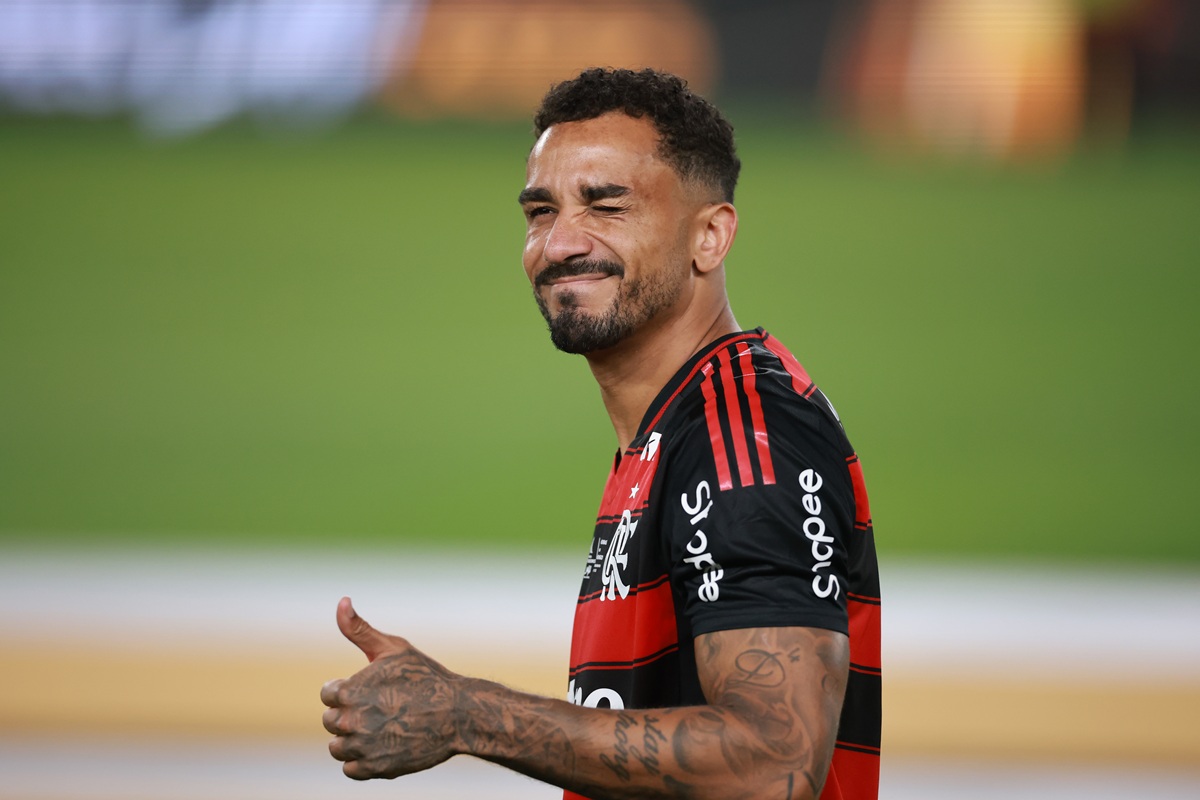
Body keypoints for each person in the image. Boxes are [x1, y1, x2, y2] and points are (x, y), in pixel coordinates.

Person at [321, 67, 881, 800]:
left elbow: (774, 764)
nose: (559, 244)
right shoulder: (674, 429)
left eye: (606, 206)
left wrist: (468, 715)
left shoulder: (740, 438)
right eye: (539, 212)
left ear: (710, 235)